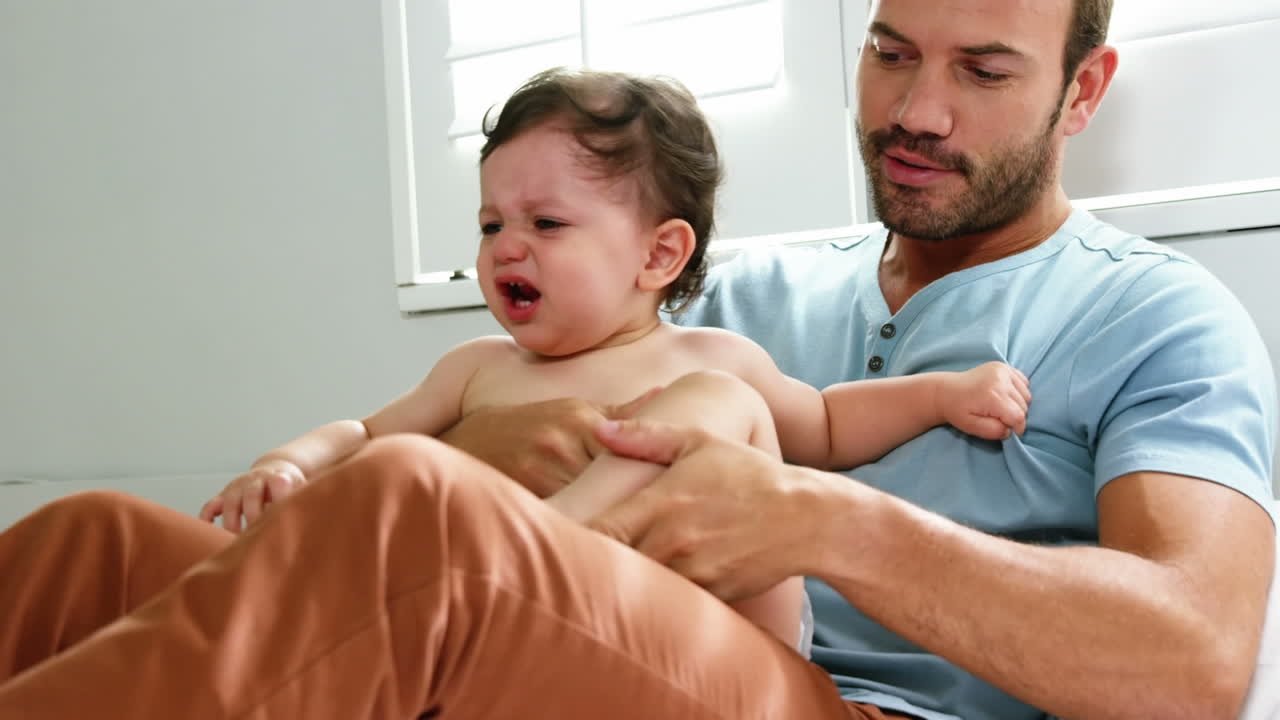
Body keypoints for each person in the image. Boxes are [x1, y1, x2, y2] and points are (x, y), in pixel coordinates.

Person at [0, 1, 1273, 719]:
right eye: (889, 52)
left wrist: (815, 523)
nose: (914, 111)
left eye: (981, 71)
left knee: (422, 518)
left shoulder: (1156, 319)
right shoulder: (739, 287)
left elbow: (1193, 668)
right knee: (98, 540)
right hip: (634, 664)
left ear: (1082, 90)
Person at [193, 66, 1028, 653]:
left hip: (726, 642)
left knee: (712, 398)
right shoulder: (476, 370)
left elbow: (832, 424)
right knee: (407, 466)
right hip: (559, 632)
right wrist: (287, 465)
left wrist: (945, 393)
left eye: (547, 225)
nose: (506, 248)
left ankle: (555, 539)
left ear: (660, 256)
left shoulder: (712, 357)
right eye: (491, 226)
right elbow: (364, 438)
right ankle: (504, 566)